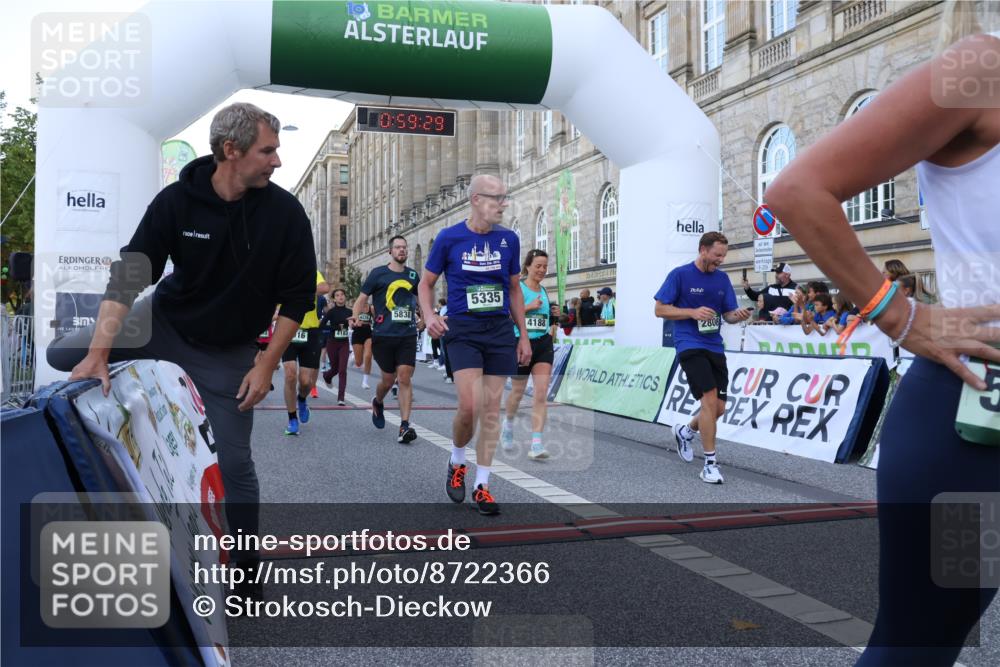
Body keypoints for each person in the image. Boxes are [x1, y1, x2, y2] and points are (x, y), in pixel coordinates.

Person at [765, 8, 1000, 663]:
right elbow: (798, 189)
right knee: (917, 647)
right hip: (979, 423)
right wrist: (901, 316)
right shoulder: (983, 65)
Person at [47, 102, 316, 595]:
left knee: (235, 465)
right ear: (230, 151)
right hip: (163, 324)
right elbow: (131, 273)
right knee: (64, 356)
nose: (277, 161)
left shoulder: (285, 214)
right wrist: (102, 351)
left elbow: (298, 298)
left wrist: (265, 363)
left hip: (227, 351)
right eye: (268, 150)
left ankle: (246, 570)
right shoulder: (177, 201)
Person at [418, 174, 531, 515]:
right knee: (469, 407)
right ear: (476, 200)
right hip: (463, 330)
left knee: (491, 411)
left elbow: (513, 289)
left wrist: (522, 334)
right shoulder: (449, 238)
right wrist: (429, 314)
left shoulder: (509, 240)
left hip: (498, 331)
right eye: (497, 198)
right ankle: (457, 461)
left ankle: (482, 485)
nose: (503, 204)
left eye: (504, 197)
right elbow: (426, 283)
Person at [654, 231, 752, 484]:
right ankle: (709, 464)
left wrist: (737, 315)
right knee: (708, 400)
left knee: (719, 407)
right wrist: (692, 312)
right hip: (689, 344)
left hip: (714, 346)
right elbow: (659, 309)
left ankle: (685, 432)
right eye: (717, 255)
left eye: (723, 256)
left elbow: (728, 314)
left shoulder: (721, 279)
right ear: (703, 250)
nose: (721, 260)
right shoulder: (680, 274)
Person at [355, 235, 421, 444]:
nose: (402, 250)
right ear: (390, 251)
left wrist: (427, 318)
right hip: (383, 335)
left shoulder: (412, 275)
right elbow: (361, 299)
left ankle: (404, 426)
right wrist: (356, 317)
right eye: (398, 247)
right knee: (388, 380)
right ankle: (378, 401)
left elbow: (423, 300)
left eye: (404, 247)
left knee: (404, 378)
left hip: (407, 334)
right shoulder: (378, 274)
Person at [500, 249, 555, 461]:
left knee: (541, 393)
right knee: (518, 391)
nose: (542, 270)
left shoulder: (544, 291)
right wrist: (529, 306)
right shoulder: (519, 288)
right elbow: (507, 315)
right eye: (538, 266)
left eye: (545, 266)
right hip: (520, 343)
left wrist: (555, 315)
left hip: (542, 343)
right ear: (528, 266)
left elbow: (544, 319)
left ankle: (537, 443)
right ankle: (509, 424)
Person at [281, 269, 328, 435]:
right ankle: (292, 418)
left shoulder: (310, 271)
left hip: (310, 332)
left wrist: (297, 289)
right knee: (290, 374)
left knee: (306, 382)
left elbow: (324, 288)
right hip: (287, 330)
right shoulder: (279, 271)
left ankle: (301, 399)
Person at [320, 288, 352, 406]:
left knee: (342, 370)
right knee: (334, 369)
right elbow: (322, 326)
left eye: (342, 295)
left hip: (344, 343)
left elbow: (354, 323)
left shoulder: (350, 312)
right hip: (332, 342)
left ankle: (341, 398)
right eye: (337, 295)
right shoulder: (331, 312)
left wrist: (354, 324)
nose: (340, 297)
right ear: (334, 299)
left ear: (345, 297)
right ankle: (326, 376)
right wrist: (336, 328)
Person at [350, 299, 375, 390]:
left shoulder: (371, 308)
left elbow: (376, 320)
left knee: (368, 356)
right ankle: (353, 356)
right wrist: (354, 323)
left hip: (368, 333)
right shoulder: (356, 307)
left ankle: (365, 381)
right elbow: (351, 324)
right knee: (359, 362)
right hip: (357, 333)